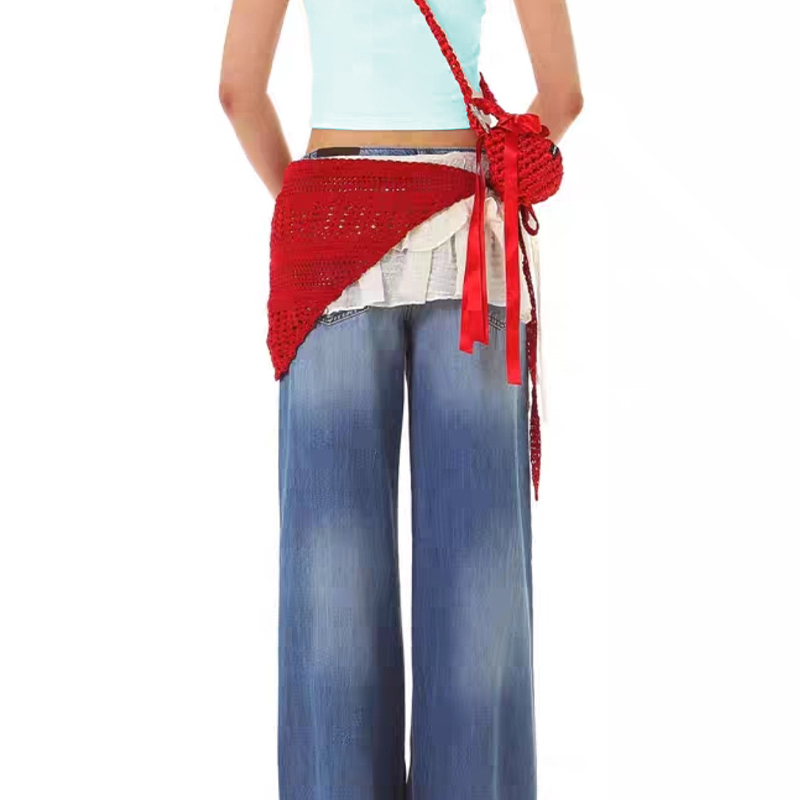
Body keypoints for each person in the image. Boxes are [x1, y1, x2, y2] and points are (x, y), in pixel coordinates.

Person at [219, 1, 582, 798]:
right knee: (479, 568)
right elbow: (564, 96)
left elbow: (238, 91)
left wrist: (325, 212)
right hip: (466, 227)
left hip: (330, 230)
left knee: (331, 573)